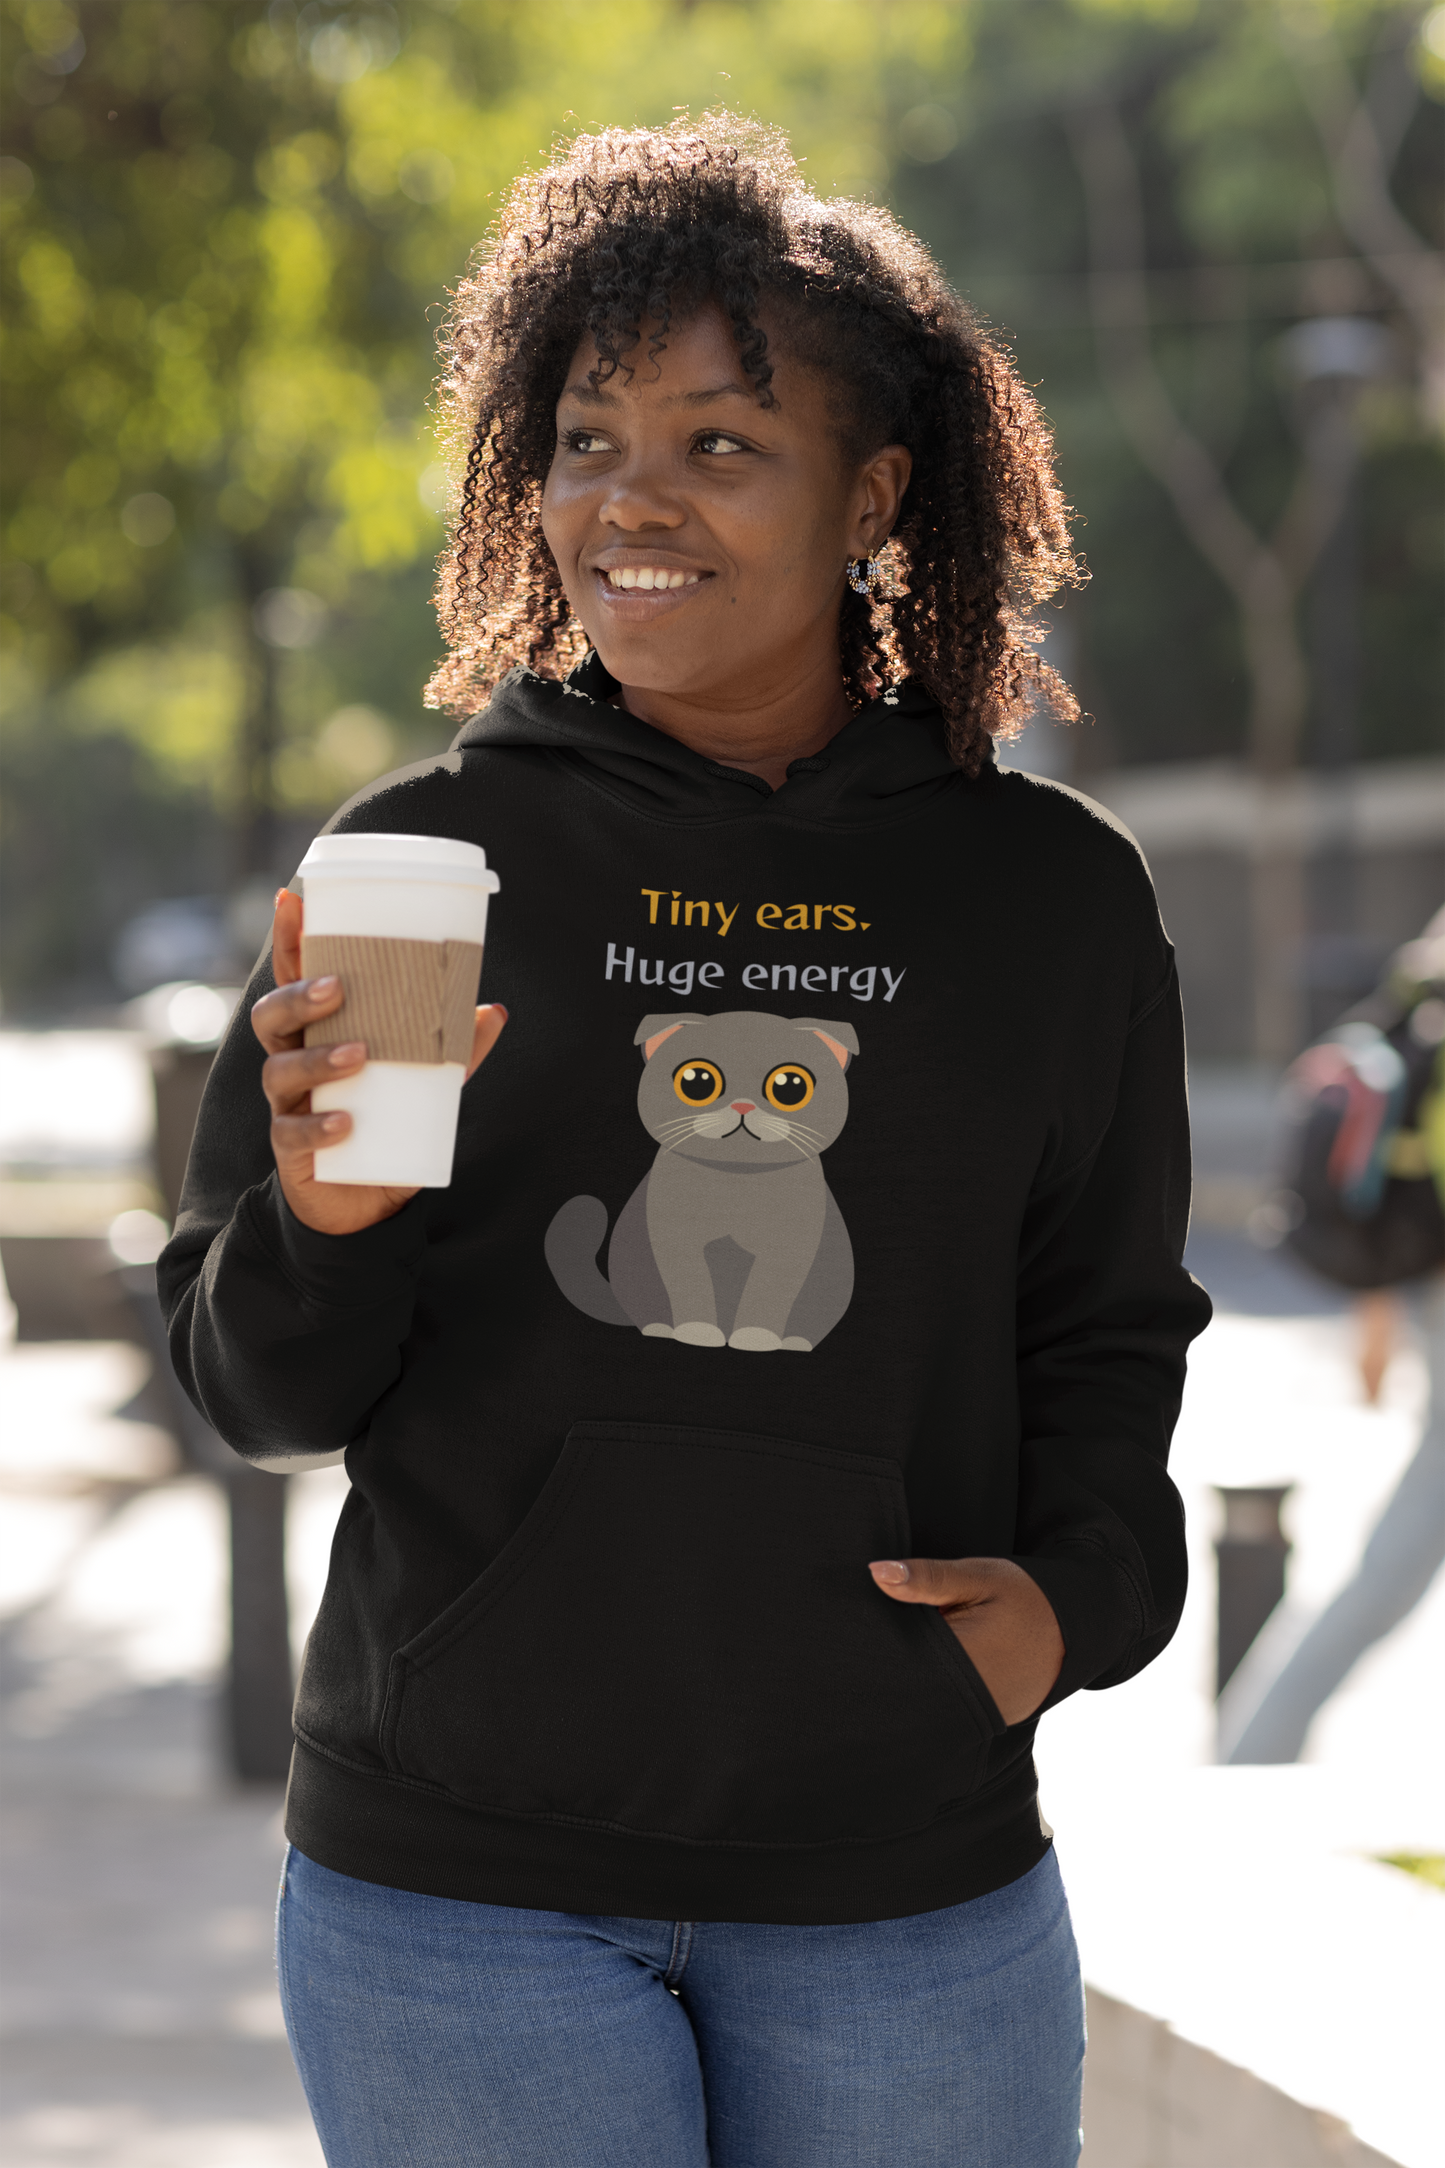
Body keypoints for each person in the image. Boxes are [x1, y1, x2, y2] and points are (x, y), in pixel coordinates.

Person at [160, 117, 1211, 2168]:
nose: (625, 500)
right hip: (457, 1891)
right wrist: (323, 1217)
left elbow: (1105, 1319)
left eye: (719, 445)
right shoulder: (416, 870)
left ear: (871, 494)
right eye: (581, 439)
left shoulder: (1046, 900)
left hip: (897, 1878)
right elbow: (260, 1385)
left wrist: (1074, 1604)